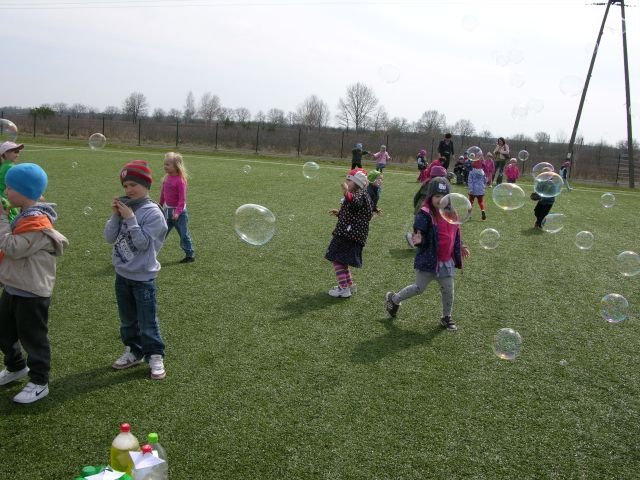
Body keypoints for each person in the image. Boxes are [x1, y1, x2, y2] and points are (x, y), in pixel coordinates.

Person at [0, 163, 69, 404]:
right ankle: (16, 366)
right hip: (13, 286)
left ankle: (40, 382)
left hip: (31, 292)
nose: (6, 191)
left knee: (34, 339)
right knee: (4, 332)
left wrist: (1, 218)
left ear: (24, 191)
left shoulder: (37, 223)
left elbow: (12, 248)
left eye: (10, 187)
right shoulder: (24, 215)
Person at [105, 160, 169, 380]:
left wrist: (130, 219)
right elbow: (109, 237)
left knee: (147, 321)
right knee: (128, 321)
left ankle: (155, 355)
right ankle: (134, 351)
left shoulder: (153, 213)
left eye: (133, 184)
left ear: (146, 185)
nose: (129, 189)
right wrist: (116, 215)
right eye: (125, 186)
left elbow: (142, 244)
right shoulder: (125, 208)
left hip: (143, 278)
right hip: (122, 275)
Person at [385, 177, 470, 331]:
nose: (440, 199)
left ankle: (446, 316)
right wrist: (419, 240)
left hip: (446, 261)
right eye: (436, 196)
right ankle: (394, 299)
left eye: (443, 196)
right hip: (429, 260)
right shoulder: (425, 214)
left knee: (448, 290)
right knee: (419, 288)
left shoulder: (452, 213)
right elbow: (420, 232)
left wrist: (461, 246)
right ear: (430, 197)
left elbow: (456, 232)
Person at [325, 168, 373, 298]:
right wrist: (339, 213)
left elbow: (355, 203)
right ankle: (349, 285)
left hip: (348, 235)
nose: (346, 182)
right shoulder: (359, 195)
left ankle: (343, 289)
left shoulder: (359, 195)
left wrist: (346, 192)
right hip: (351, 234)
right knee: (342, 260)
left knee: (337, 259)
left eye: (349, 180)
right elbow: (353, 212)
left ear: (357, 183)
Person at [159, 152, 195, 263]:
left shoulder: (180, 181)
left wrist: (177, 213)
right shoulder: (166, 179)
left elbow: (182, 200)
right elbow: (163, 194)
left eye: (168, 164)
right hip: (167, 211)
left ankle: (190, 255)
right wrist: (159, 206)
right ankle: (150, 254)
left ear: (176, 166)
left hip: (180, 214)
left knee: (184, 235)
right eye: (165, 164)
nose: (165, 166)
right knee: (161, 233)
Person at [406, 165, 448, 248]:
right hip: (426, 209)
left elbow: (417, 196)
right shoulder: (435, 186)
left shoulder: (427, 182)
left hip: (421, 208)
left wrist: (416, 206)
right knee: (425, 227)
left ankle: (414, 237)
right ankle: (413, 237)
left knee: (423, 227)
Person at [0, 142, 24, 221]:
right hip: (5, 201)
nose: (17, 155)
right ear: (6, 153)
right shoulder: (10, 167)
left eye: (18, 152)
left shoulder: (4, 165)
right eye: (15, 152)